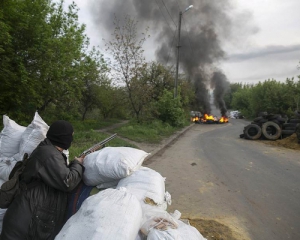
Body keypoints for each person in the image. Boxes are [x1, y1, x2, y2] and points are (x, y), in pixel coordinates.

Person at [1, 120, 85, 240]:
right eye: (70, 136)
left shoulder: (49, 151)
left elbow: (59, 174)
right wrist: (77, 164)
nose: (71, 139)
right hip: (25, 222)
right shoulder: (49, 154)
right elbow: (67, 182)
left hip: (25, 217)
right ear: (62, 136)